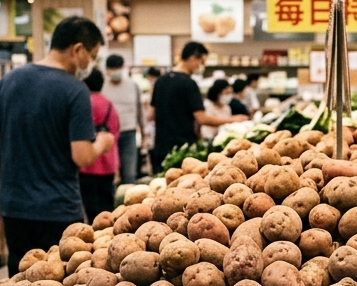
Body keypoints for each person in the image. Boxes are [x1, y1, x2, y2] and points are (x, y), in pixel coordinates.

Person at [0, 16, 116, 269]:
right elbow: (82, 155)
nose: (91, 63)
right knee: (57, 284)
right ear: (77, 50)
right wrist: (102, 143)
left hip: (14, 206)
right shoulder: (74, 90)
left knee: (19, 283)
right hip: (57, 207)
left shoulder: (8, 81)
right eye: (93, 55)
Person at [149, 42, 246, 172]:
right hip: (182, 149)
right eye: (202, 61)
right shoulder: (189, 84)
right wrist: (234, 119)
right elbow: (202, 119)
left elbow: (151, 115)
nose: (202, 66)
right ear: (193, 57)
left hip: (160, 147)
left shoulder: (161, 81)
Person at [80, 68, 121, 223]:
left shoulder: (83, 103)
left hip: (88, 164)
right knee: (106, 206)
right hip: (108, 163)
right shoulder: (109, 104)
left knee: (90, 208)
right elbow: (115, 131)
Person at [102, 54, 143, 185]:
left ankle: (129, 201)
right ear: (107, 70)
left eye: (118, 68)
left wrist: (143, 131)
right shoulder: (102, 87)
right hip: (107, 135)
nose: (115, 71)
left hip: (128, 133)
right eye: (112, 68)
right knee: (109, 173)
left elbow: (139, 110)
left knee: (129, 174)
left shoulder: (132, 86)